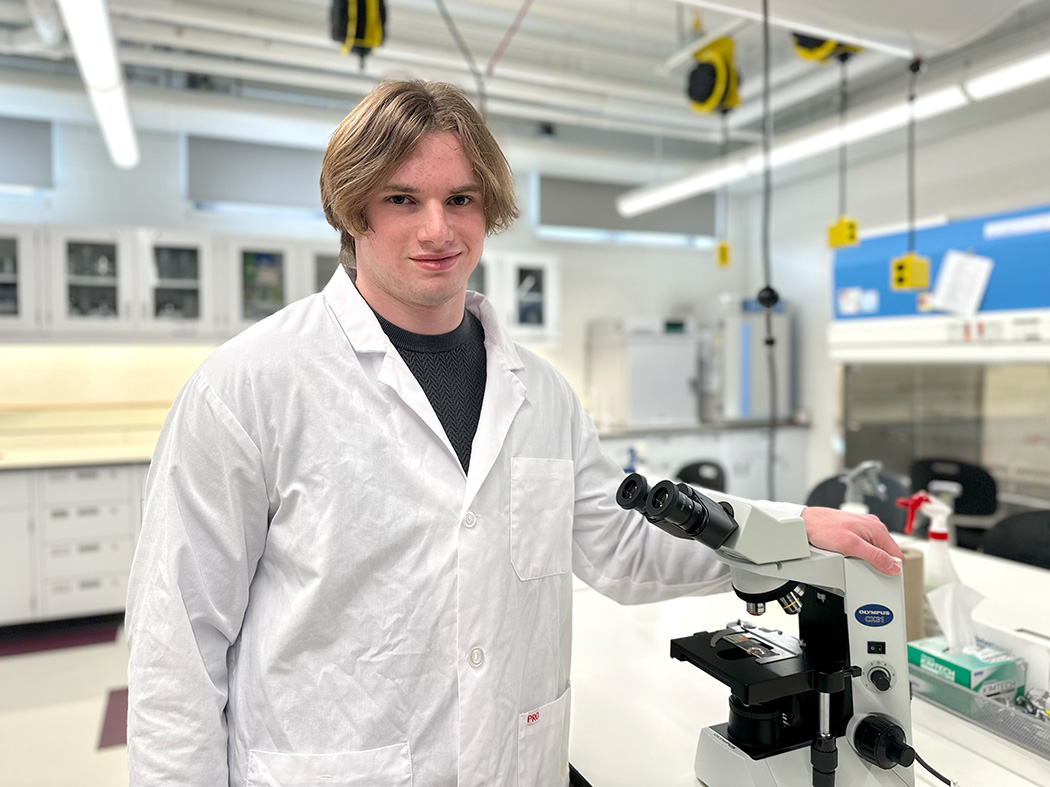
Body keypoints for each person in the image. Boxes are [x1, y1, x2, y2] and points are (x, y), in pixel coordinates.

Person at [126, 79, 904, 787]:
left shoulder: (540, 392)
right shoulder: (250, 385)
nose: (438, 228)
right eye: (403, 198)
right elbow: (175, 646)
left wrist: (785, 532)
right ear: (354, 207)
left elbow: (617, 542)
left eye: (461, 198)